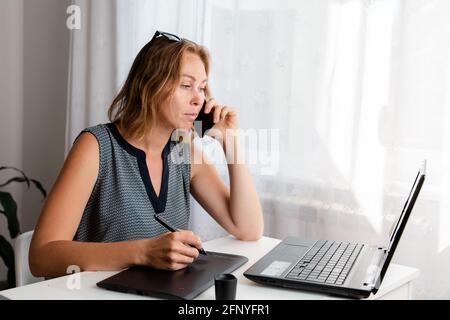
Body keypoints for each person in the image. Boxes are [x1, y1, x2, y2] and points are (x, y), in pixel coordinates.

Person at [29, 31, 264, 278]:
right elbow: (42, 256)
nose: (198, 99)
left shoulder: (185, 151)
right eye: (186, 85)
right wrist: (143, 252)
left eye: (202, 88)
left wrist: (231, 141)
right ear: (149, 86)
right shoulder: (96, 146)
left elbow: (248, 229)